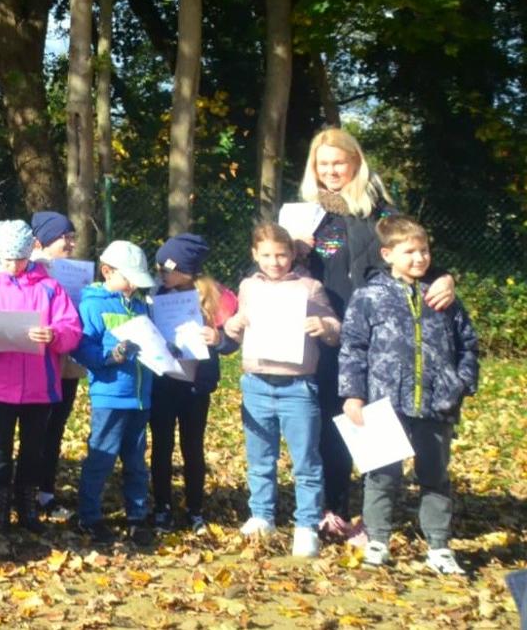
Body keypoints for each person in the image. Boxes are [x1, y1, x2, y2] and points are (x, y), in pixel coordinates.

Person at [295, 127, 456, 539]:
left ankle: (373, 520)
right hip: (325, 335)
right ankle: (333, 508)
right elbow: (269, 264)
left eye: (339, 162)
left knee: (374, 421)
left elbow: (412, 252)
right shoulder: (304, 215)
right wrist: (295, 248)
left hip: (379, 338)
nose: (331, 171)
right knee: (332, 422)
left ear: (356, 162)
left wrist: (444, 277)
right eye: (323, 164)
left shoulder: (380, 212)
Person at [337, 216, 479, 575]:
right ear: (387, 254)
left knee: (435, 477)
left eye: (425, 250)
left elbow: (468, 343)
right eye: (410, 251)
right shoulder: (369, 297)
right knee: (382, 475)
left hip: (437, 404)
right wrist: (353, 394)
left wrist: (461, 382)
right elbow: (353, 347)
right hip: (383, 403)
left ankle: (439, 547)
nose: (419, 258)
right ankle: (377, 541)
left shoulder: (443, 297)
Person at [223, 222, 341, 558]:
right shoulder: (248, 287)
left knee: (306, 460)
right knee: (260, 458)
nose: (274, 262)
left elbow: (336, 330)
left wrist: (323, 326)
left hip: (298, 387)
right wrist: (232, 325)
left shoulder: (309, 287)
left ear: (292, 254)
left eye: (281, 255)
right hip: (256, 384)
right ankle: (262, 515)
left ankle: (306, 525)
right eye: (266, 255)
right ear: (254, 255)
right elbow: (235, 328)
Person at [0, 220, 82, 534]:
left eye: (18, 259)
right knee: (0, 447)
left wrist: (53, 334)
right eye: (6, 260)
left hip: (39, 385)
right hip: (1, 384)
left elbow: (71, 328)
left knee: (34, 449)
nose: (13, 266)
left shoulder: (50, 287)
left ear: (29, 254)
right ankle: (1, 508)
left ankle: (27, 506)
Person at [148, 234, 238, 534]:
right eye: (159, 268)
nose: (161, 273)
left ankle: (195, 508)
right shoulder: (155, 294)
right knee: (161, 446)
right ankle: (162, 506)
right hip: (164, 381)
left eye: (167, 269)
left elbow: (232, 343)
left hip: (196, 386)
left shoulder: (214, 297)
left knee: (193, 447)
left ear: (187, 269)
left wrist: (218, 339)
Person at [72, 241, 158, 543]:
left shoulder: (141, 305)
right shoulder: (93, 305)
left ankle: (137, 516)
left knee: (136, 461)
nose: (134, 285)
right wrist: (109, 357)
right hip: (110, 395)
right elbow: (82, 347)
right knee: (102, 457)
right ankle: (89, 517)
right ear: (107, 271)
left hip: (140, 396)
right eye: (129, 278)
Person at [30, 210, 83, 518]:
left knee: (55, 427)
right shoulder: (26, 270)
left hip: (67, 361)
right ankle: (25, 491)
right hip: (35, 362)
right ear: (42, 242)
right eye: (66, 238)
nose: (71, 244)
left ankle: (46, 492)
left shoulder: (76, 272)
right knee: (35, 429)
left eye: (73, 237)